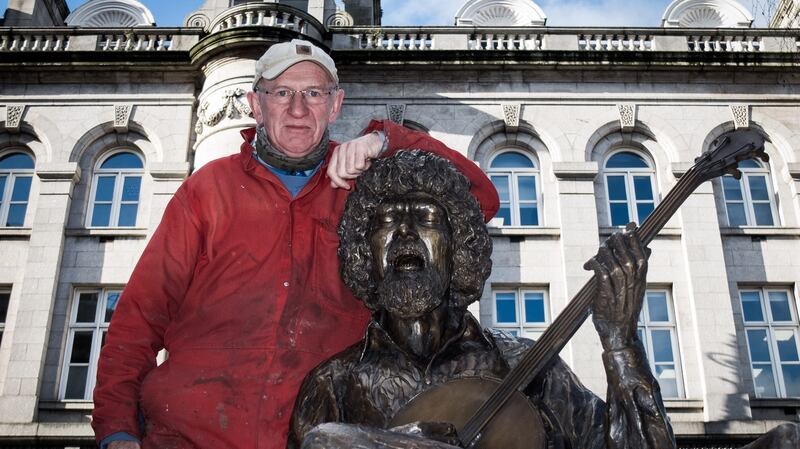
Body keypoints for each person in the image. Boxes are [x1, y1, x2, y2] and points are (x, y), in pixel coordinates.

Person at [91, 39, 499, 449]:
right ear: (256, 103)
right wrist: (117, 431)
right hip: (187, 436)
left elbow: (480, 198)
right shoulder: (207, 190)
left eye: (314, 94)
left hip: (317, 434)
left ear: (335, 105)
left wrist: (386, 142)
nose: (298, 109)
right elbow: (140, 316)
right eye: (282, 93)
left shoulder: (367, 189)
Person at [289, 150, 677, 449]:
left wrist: (620, 344)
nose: (404, 232)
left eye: (425, 218)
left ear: (458, 247)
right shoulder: (333, 383)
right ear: (364, 251)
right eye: (387, 221)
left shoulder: (525, 365)